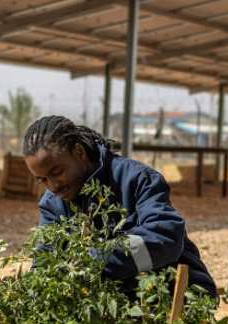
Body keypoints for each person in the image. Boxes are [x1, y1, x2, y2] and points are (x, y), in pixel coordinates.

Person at [23, 115, 217, 297]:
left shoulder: (136, 179)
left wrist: (94, 261)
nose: (53, 185)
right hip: (114, 306)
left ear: (79, 152)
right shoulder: (53, 204)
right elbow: (44, 259)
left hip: (174, 296)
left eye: (57, 171)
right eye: (42, 180)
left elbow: (166, 238)